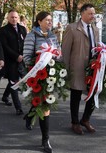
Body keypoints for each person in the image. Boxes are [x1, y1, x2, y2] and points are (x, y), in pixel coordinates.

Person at [23, 11, 60, 153]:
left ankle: (30, 116)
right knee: (43, 104)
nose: (50, 22)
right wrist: (37, 64)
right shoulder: (31, 35)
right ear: (39, 21)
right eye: (47, 20)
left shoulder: (52, 36)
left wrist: (56, 60)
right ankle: (45, 140)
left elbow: (58, 52)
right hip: (37, 75)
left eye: (51, 20)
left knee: (44, 103)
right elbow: (27, 57)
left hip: (51, 74)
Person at [62, 3, 99, 135]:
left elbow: (97, 47)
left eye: (94, 14)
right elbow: (65, 51)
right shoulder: (72, 28)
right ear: (82, 14)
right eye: (90, 13)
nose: (93, 16)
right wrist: (64, 69)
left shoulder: (95, 29)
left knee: (93, 95)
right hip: (76, 67)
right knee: (76, 95)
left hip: (93, 68)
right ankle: (75, 122)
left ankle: (85, 119)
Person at [0, 9, 27, 115]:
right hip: (10, 60)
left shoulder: (23, 29)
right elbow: (4, 46)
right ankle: (18, 107)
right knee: (14, 81)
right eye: (12, 17)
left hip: (21, 60)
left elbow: (25, 43)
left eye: (15, 17)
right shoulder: (3, 30)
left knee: (14, 80)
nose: (14, 19)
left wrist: (24, 55)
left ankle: (5, 96)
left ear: (18, 18)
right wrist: (16, 56)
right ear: (8, 18)